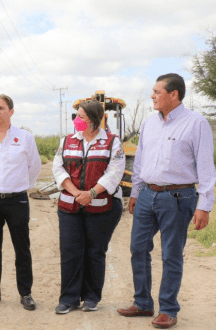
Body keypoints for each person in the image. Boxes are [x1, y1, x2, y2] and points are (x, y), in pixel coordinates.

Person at [117, 74, 216, 329]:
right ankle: (142, 302)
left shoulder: (196, 123)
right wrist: (136, 192)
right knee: (138, 248)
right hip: (148, 193)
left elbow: (205, 168)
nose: (152, 96)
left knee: (171, 254)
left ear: (174, 94)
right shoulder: (150, 123)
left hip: (178, 197)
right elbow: (139, 161)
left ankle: (168, 309)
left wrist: (204, 205)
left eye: (157, 92)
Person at [52, 100, 125, 314]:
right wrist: (76, 193)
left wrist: (91, 193)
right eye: (76, 116)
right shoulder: (67, 141)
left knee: (95, 252)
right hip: (70, 207)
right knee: (70, 251)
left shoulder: (112, 142)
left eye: (81, 117)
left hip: (102, 208)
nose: (77, 121)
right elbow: (58, 169)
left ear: (93, 120)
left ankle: (92, 297)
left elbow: (114, 172)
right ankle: (69, 298)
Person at [0, 94, 41, 310]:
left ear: (11, 111)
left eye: (1, 108)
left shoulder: (24, 138)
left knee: (22, 248)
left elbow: (34, 167)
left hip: (16, 200)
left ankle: (25, 293)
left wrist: (19, 186)